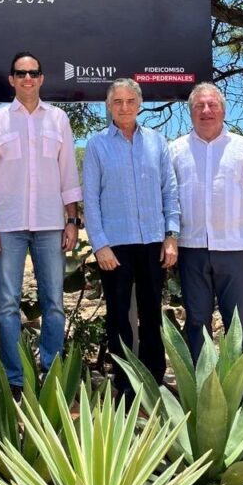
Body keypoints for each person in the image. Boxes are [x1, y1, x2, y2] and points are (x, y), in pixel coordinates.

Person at [0, 51, 81, 391]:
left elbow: (69, 175)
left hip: (51, 224)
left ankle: (51, 375)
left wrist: (73, 220)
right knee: (7, 305)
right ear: (11, 79)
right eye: (21, 73)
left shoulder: (59, 119)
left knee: (54, 303)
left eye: (33, 72)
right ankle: (14, 378)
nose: (27, 78)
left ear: (42, 78)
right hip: (7, 226)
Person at [83, 78, 180, 390]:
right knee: (119, 316)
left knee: (152, 315)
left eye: (130, 101)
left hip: (153, 241)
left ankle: (153, 381)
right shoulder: (97, 144)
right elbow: (91, 199)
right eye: (117, 102)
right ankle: (123, 383)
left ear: (139, 105)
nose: (124, 107)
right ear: (109, 106)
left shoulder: (157, 142)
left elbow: (170, 191)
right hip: (115, 246)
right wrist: (100, 245)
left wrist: (171, 235)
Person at [170, 82, 243, 359]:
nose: (206, 110)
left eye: (212, 104)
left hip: (235, 249)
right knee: (196, 323)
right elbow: (167, 199)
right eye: (199, 106)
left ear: (223, 110)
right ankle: (200, 390)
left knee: (238, 326)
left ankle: (238, 393)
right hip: (191, 249)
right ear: (190, 111)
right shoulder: (175, 149)